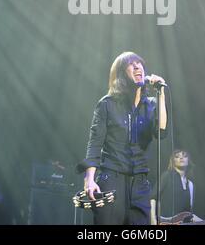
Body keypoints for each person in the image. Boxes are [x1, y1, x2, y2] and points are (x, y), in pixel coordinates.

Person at [76, 51, 168, 225]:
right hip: (112, 179)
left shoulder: (150, 105)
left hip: (140, 184)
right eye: (131, 64)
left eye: (139, 63)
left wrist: (161, 93)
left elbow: (161, 132)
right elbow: (95, 144)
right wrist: (89, 180)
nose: (137, 66)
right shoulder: (107, 104)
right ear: (120, 75)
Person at [150, 149, 198, 224]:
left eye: (184, 156)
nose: (181, 158)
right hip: (164, 222)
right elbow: (152, 197)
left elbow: (189, 213)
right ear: (173, 161)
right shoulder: (167, 176)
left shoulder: (191, 185)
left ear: (189, 160)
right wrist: (152, 219)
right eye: (177, 156)